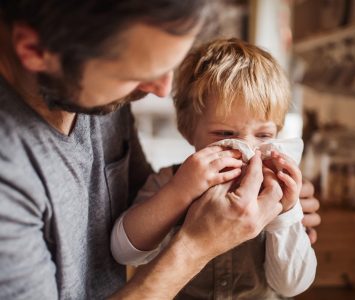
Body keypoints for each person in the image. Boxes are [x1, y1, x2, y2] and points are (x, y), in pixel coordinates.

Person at [0, 1, 320, 299]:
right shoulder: (10, 175)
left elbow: (292, 281)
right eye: (135, 73)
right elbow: (127, 244)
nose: (162, 90)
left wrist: (288, 215)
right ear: (35, 50)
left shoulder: (103, 98)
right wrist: (197, 243)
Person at [111, 38, 317, 299]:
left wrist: (286, 215)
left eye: (263, 135)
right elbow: (124, 252)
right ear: (188, 131)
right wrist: (179, 192)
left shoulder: (277, 193)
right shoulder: (170, 181)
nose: (248, 149)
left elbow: (291, 285)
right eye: (225, 133)